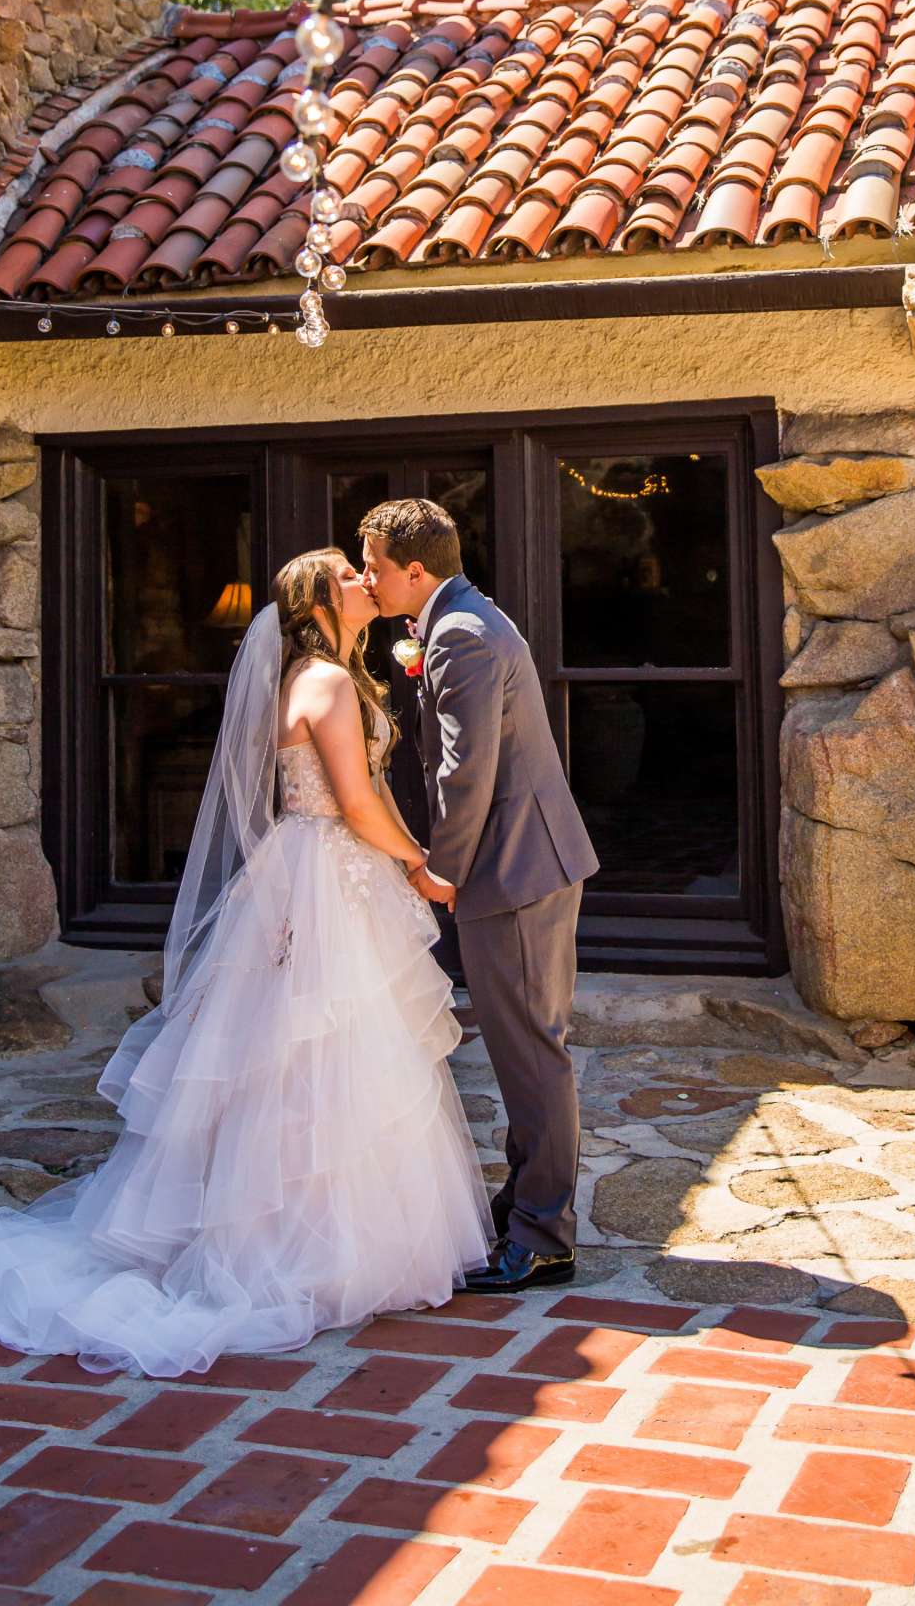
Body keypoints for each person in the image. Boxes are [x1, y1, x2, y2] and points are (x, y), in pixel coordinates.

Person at [0, 550, 492, 1375]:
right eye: (347, 572)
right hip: (324, 879)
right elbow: (358, 801)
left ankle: (323, 1234)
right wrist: (424, 865)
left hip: (321, 873)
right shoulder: (326, 685)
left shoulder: (328, 674)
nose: (365, 579)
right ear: (320, 601)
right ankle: (303, 1247)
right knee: (318, 1055)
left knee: (316, 1054)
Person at [359, 499, 599, 1294]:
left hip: (514, 867)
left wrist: (441, 870)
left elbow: (466, 772)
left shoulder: (460, 633)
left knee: (533, 1055)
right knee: (525, 1049)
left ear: (415, 571)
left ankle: (542, 1237)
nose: (367, 578)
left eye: (375, 566)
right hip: (521, 863)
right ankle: (527, 1207)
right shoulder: (461, 618)